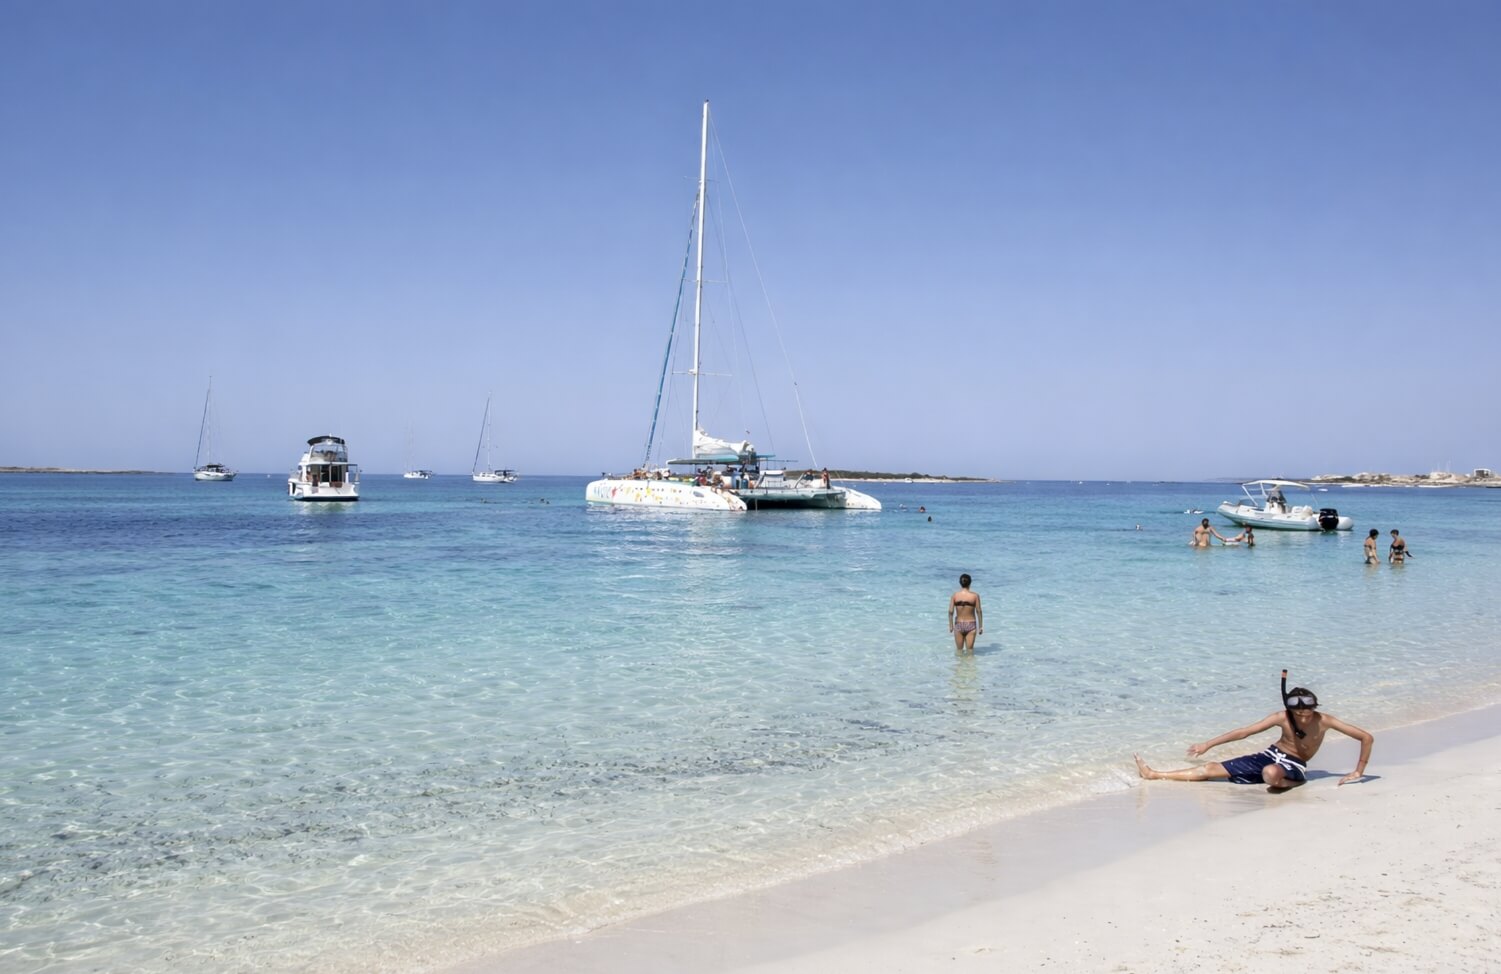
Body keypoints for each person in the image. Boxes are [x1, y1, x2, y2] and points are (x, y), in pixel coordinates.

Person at [1134, 687, 1373, 789]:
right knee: (1209, 769)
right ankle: (1154, 774)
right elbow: (1245, 732)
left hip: (1294, 765)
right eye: (1297, 710)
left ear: (1314, 707)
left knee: (1270, 774)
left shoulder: (1325, 720)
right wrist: (1207, 744)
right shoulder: (1282, 717)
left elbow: (1366, 737)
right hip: (1270, 755)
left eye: (1307, 709)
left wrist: (1358, 771)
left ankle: (1295, 782)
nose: (1302, 714)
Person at [948, 573, 983, 654]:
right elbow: (979, 611)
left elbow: (950, 611)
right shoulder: (975, 596)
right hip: (970, 625)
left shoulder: (955, 596)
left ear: (960, 583)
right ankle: (970, 666)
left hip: (959, 625)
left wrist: (950, 626)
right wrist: (980, 626)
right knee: (970, 652)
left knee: (959, 651)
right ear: (970, 583)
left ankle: (960, 666)